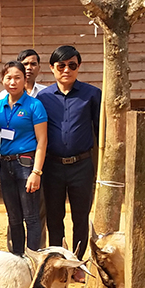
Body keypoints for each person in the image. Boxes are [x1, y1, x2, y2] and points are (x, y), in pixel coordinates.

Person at [37, 45, 101, 259]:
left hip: (81, 166)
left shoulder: (92, 95)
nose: (66, 70)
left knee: (80, 217)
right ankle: (57, 261)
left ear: (78, 67)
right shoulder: (43, 98)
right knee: (55, 217)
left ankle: (79, 261)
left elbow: (101, 131)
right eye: (61, 65)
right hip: (52, 166)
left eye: (71, 65)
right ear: (52, 68)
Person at [0, 61, 48, 254]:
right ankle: (17, 258)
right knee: (13, 217)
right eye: (8, 77)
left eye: (18, 77)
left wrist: (37, 172)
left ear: (25, 79)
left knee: (31, 216)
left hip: (26, 164)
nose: (13, 82)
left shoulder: (35, 105)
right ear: (2, 80)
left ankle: (33, 259)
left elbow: (42, 141)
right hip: (5, 165)